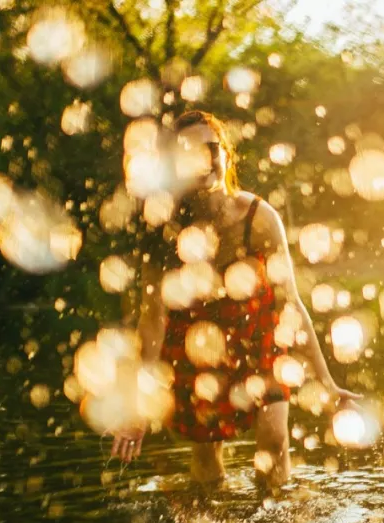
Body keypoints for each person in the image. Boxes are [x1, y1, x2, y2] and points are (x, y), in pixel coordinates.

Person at [110, 110, 362, 488]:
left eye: (213, 148)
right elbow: (152, 320)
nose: (205, 158)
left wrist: (327, 383)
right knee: (206, 454)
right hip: (195, 344)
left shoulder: (259, 218)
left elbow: (289, 304)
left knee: (275, 440)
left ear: (226, 154)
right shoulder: (163, 230)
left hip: (258, 335)